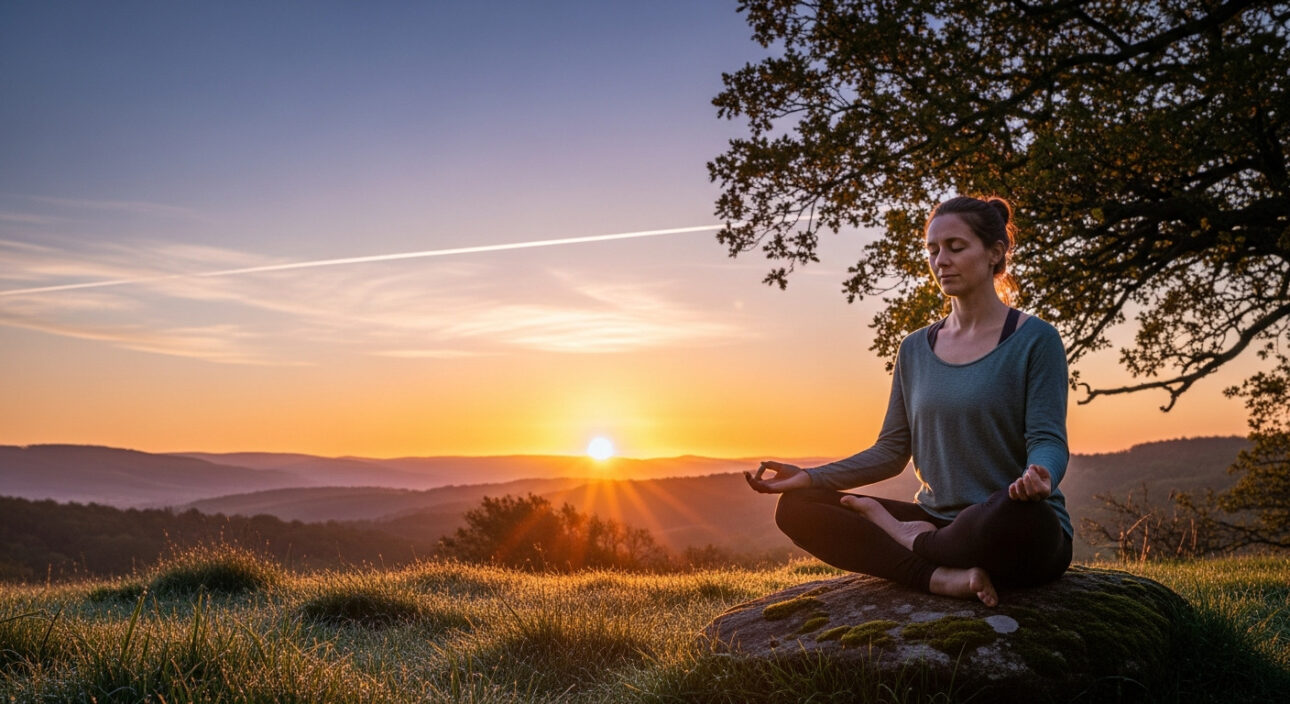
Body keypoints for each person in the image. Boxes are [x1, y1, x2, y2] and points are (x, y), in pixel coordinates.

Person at [745, 195, 1071, 607]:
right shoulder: (914, 349)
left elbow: (1048, 437)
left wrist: (1042, 474)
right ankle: (936, 575)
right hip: (936, 520)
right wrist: (810, 477)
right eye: (933, 250)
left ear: (995, 252)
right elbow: (890, 451)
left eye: (956, 247)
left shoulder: (1036, 339)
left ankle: (914, 543)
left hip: (1006, 522)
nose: (941, 261)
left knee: (1029, 519)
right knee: (797, 509)